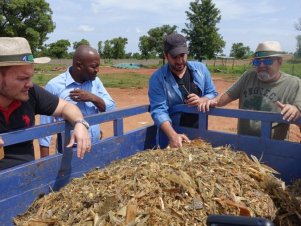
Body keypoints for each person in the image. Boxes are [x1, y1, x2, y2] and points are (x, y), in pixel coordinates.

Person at [0, 37, 91, 170]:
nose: (29, 84)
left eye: (30, 77)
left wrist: (80, 123)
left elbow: (66, 106)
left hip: (27, 180)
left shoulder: (31, 93)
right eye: (22, 78)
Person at [200, 41, 301, 140]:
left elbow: (298, 111)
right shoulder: (249, 76)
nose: (261, 65)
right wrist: (213, 101)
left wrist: (296, 110)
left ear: (280, 61)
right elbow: (225, 97)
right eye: (257, 61)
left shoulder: (293, 84)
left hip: (275, 149)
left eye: (267, 61)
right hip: (244, 144)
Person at [39, 45, 116, 157]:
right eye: (93, 67)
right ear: (79, 65)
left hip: (95, 147)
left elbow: (111, 107)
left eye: (98, 66)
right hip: (69, 152)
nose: (97, 70)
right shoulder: (54, 86)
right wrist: (44, 164)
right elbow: (45, 127)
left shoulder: (95, 82)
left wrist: (92, 97)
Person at [148, 32, 218, 148]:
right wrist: (173, 136)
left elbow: (212, 93)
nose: (180, 61)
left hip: (200, 132)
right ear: (166, 55)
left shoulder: (201, 69)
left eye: (182, 55)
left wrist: (203, 99)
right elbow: (159, 110)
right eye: (175, 57)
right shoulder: (157, 79)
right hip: (172, 135)